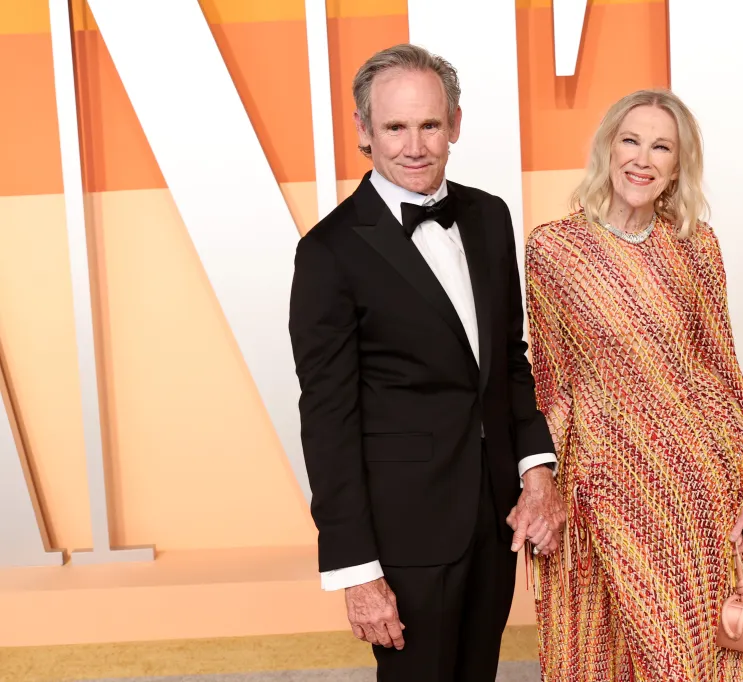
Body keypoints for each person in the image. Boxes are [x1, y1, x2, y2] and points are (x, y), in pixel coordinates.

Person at [288, 43, 566, 682]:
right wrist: (357, 571)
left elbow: (509, 362)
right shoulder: (329, 253)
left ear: (455, 125)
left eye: (430, 125)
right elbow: (327, 422)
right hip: (404, 535)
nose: (414, 146)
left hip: (494, 518)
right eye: (395, 127)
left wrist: (536, 469)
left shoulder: (490, 216)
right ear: (364, 130)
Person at [524, 88, 743, 681]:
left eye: (661, 147)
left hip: (694, 485)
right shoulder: (552, 249)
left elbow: (720, 372)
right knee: (602, 653)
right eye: (630, 140)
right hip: (601, 483)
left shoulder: (696, 247)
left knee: (685, 656)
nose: (642, 158)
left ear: (677, 167)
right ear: (607, 149)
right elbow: (550, 382)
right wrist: (543, 489)